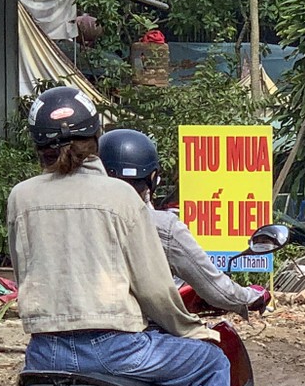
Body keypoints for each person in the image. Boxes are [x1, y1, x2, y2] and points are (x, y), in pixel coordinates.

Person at [0, 87, 253, 386]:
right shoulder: (121, 197)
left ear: (38, 145)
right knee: (211, 364)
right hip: (116, 351)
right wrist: (191, 330)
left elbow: (24, 272)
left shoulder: (20, 196)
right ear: (94, 136)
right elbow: (154, 289)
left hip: (45, 350)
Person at [95, 128, 266, 315]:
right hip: (130, 332)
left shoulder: (73, 216)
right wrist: (250, 296)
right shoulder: (162, 226)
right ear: (152, 178)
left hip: (65, 332)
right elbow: (216, 289)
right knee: (210, 345)